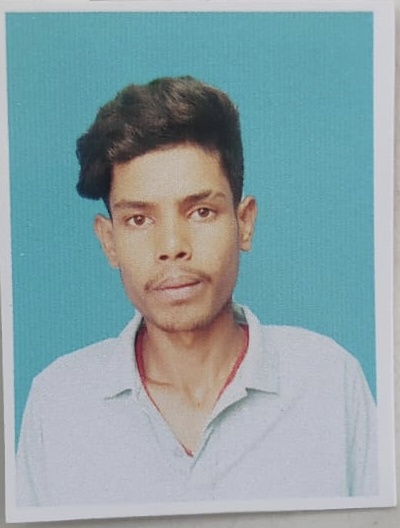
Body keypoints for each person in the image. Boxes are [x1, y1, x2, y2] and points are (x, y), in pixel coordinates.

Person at [16, 76, 377, 507]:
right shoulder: (57, 403)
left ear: (244, 222)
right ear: (109, 241)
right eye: (138, 220)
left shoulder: (328, 381)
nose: (172, 247)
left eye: (201, 211)